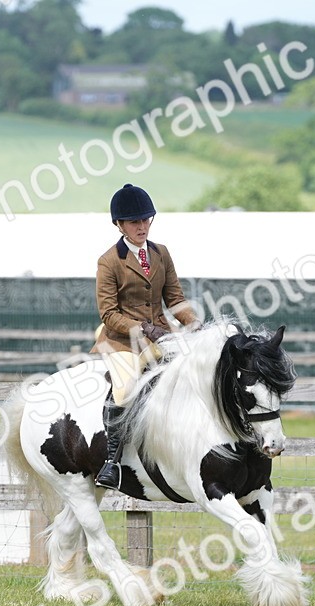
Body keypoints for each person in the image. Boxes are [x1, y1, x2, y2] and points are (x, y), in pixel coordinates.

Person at [92, 183, 198, 489]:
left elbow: (175, 299)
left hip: (162, 335)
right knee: (124, 390)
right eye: (135, 222)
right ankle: (112, 462)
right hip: (123, 340)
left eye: (146, 220)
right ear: (120, 224)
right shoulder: (109, 261)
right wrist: (141, 329)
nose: (142, 226)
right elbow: (109, 314)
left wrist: (195, 325)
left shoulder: (161, 253)